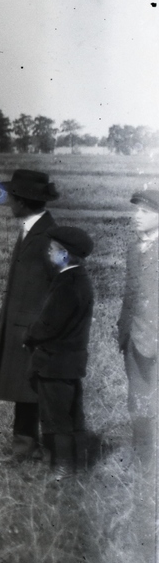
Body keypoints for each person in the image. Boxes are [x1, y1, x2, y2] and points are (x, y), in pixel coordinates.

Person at [0, 168, 60, 459]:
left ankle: (49, 449)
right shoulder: (31, 229)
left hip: (35, 328)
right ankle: (25, 446)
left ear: (22, 200)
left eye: (11, 197)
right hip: (22, 324)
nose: (8, 203)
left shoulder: (48, 236)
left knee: (38, 388)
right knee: (25, 385)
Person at [24, 225, 96, 480]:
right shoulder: (80, 279)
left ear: (64, 254)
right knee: (72, 415)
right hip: (71, 362)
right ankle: (78, 464)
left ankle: (61, 468)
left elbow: (49, 324)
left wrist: (29, 334)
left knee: (55, 418)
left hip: (54, 362)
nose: (48, 253)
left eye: (52, 249)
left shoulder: (66, 284)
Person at [119, 186, 159, 469]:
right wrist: (124, 330)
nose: (137, 216)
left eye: (145, 212)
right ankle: (142, 456)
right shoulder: (134, 249)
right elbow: (131, 295)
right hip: (135, 335)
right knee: (138, 397)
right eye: (136, 210)